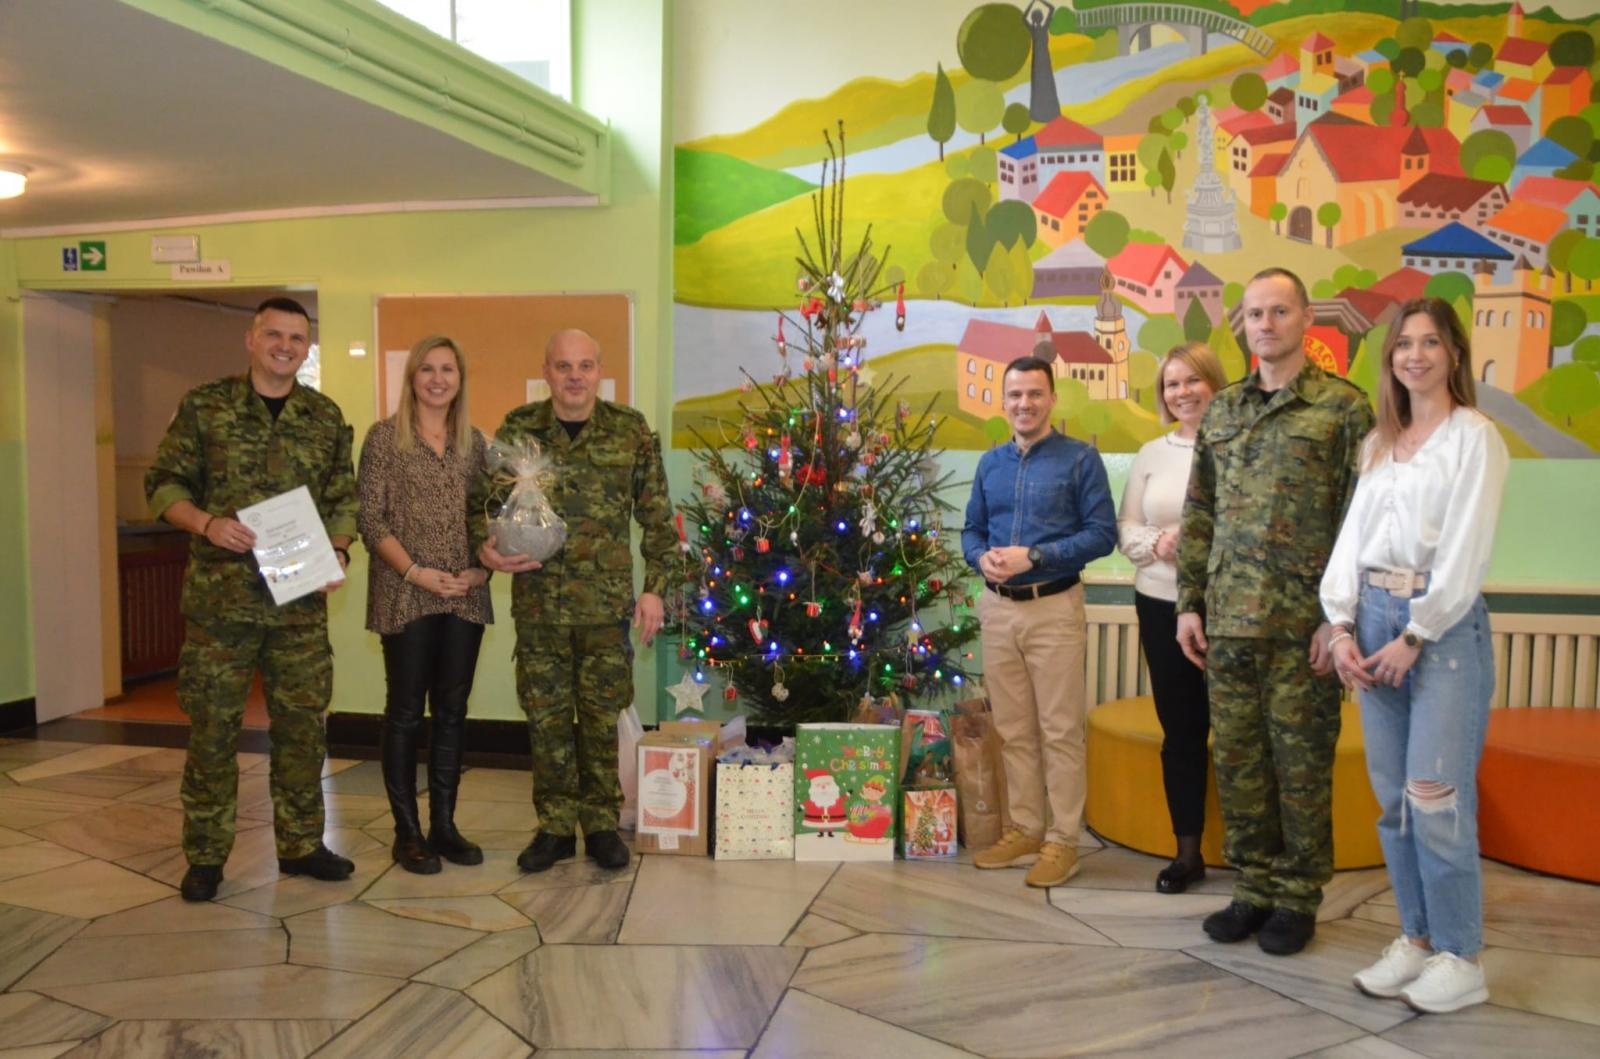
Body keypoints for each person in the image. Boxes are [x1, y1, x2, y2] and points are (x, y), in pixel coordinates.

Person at [1176, 268, 1375, 955]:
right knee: (1238, 763)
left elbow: (1361, 522)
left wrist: (1339, 620)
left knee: (1300, 768)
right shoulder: (1224, 410)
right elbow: (1199, 510)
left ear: (1305, 317)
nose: (1265, 323)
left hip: (1303, 630)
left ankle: (1296, 896)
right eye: (1254, 312)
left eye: (1278, 310)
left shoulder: (1344, 410)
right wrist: (1188, 604)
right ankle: (1253, 887)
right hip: (1227, 621)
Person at [1321, 299, 1507, 1013]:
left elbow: (1466, 546)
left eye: (1431, 342)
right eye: (1405, 343)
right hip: (1370, 618)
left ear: (1453, 354)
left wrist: (1416, 633)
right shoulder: (1380, 442)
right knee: (1396, 801)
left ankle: (1463, 953)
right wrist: (1340, 626)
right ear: (1391, 356)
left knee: (1436, 799)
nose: (1416, 355)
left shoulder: (1474, 438)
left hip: (1440, 626)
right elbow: (1351, 541)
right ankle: (1419, 939)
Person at [145, 296, 358, 902]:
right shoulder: (206, 405)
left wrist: (338, 550)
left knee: (301, 731)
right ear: (251, 338)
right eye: (274, 334)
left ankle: (301, 845)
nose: (285, 345)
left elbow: (344, 496)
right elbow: (162, 484)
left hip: (299, 607)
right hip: (222, 606)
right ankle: (207, 856)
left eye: (297, 337)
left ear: (307, 346)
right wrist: (207, 523)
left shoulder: (323, 415)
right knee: (212, 732)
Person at [473, 328, 677, 874]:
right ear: (547, 371)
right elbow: (482, 503)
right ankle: (555, 826)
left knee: (601, 716)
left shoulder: (629, 431)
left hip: (605, 607)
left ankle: (602, 824)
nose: (575, 377)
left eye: (585, 366)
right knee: (546, 718)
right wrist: (486, 549)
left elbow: (657, 517)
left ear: (599, 371)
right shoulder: (521, 430)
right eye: (564, 366)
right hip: (539, 602)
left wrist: (655, 586)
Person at [962, 355, 1117, 888]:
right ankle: (1025, 828)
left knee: (1059, 731)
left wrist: (1038, 556)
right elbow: (971, 531)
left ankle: (1062, 841)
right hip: (998, 609)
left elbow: (1102, 535)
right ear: (1002, 402)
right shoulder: (990, 464)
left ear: (1052, 399)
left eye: (1034, 394)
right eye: (1014, 396)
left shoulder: (1081, 460)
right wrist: (979, 558)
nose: (1023, 404)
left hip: (1053, 608)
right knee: (1013, 731)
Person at [358, 336, 492, 874]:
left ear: (460, 379)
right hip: (405, 592)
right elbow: (371, 520)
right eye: (427, 370)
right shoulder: (384, 439)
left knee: (453, 715)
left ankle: (445, 826)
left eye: (448, 370)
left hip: (465, 595)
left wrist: (482, 569)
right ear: (411, 377)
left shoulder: (477, 444)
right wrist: (416, 572)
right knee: (407, 714)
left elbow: (492, 518)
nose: (438, 379)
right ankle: (407, 833)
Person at [1117, 342, 1226, 894]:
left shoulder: (1239, 444)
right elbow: (1126, 531)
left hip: (1231, 608)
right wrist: (1162, 542)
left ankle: (1255, 857)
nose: (1181, 392)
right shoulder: (1151, 453)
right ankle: (1188, 852)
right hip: (1159, 603)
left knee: (1238, 735)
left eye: (1192, 381)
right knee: (1181, 731)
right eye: (1171, 384)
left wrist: (1201, 542)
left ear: (1214, 382)